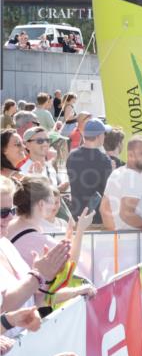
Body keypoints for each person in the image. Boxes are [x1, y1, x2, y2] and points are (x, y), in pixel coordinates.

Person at [7, 177, 96, 306]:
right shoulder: (41, 241)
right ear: (41, 204)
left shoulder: (7, 225)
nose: (55, 205)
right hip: (22, 314)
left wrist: (70, 235)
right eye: (51, 200)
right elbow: (70, 267)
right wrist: (81, 229)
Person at [100, 136, 142, 239]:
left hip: (125, 243)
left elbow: (104, 210)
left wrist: (115, 236)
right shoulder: (133, 176)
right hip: (138, 245)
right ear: (130, 155)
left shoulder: (117, 173)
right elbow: (126, 214)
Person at [66, 119, 114, 221]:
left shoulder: (72, 155)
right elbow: (109, 190)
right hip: (96, 216)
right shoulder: (104, 160)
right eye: (104, 134)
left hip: (76, 214)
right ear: (98, 136)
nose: (105, 136)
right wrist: (113, 171)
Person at [20, 127, 68, 192]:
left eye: (48, 140)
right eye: (40, 141)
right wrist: (58, 190)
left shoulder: (49, 167)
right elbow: (30, 198)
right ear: (27, 145)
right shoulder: (23, 170)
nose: (45, 144)